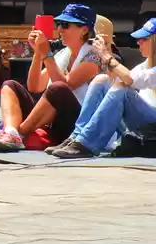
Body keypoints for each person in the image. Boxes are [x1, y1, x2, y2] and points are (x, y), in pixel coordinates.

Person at [0, 4, 103, 153]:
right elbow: (35, 87)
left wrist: (47, 52)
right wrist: (39, 52)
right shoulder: (63, 54)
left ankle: (16, 134)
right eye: (59, 24)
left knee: (58, 89)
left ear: (84, 30)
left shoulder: (94, 56)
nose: (59, 29)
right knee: (10, 85)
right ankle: (10, 131)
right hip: (55, 119)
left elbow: (64, 85)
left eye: (65, 25)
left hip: (77, 123)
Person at [50, 17, 156, 158]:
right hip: (142, 126)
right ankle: (76, 137)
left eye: (145, 39)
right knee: (102, 80)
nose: (138, 42)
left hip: (152, 129)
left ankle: (86, 144)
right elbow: (118, 81)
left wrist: (106, 56)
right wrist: (106, 51)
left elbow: (130, 80)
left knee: (122, 89)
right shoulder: (144, 66)